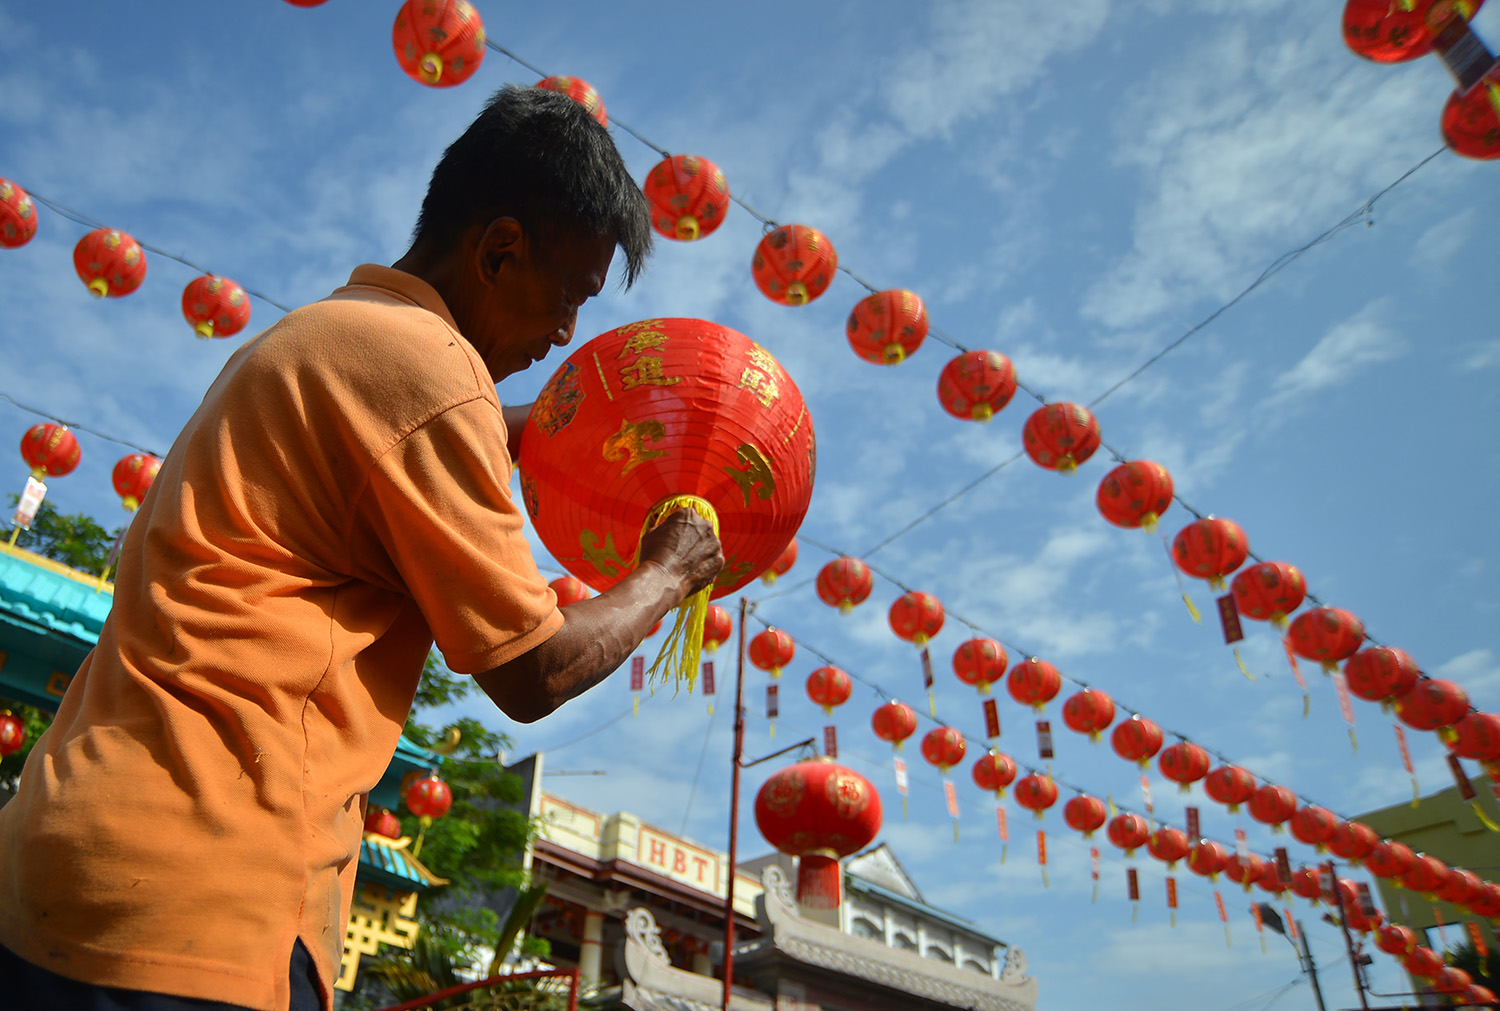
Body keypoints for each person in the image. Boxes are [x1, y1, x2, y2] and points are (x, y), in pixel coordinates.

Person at [0, 85, 723, 1011]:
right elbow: (535, 669)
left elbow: (408, 436)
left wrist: (535, 431)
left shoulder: (318, 336)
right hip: (204, 887)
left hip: (59, 863)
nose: (563, 336)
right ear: (500, 248)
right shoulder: (432, 370)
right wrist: (672, 571)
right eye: (568, 296)